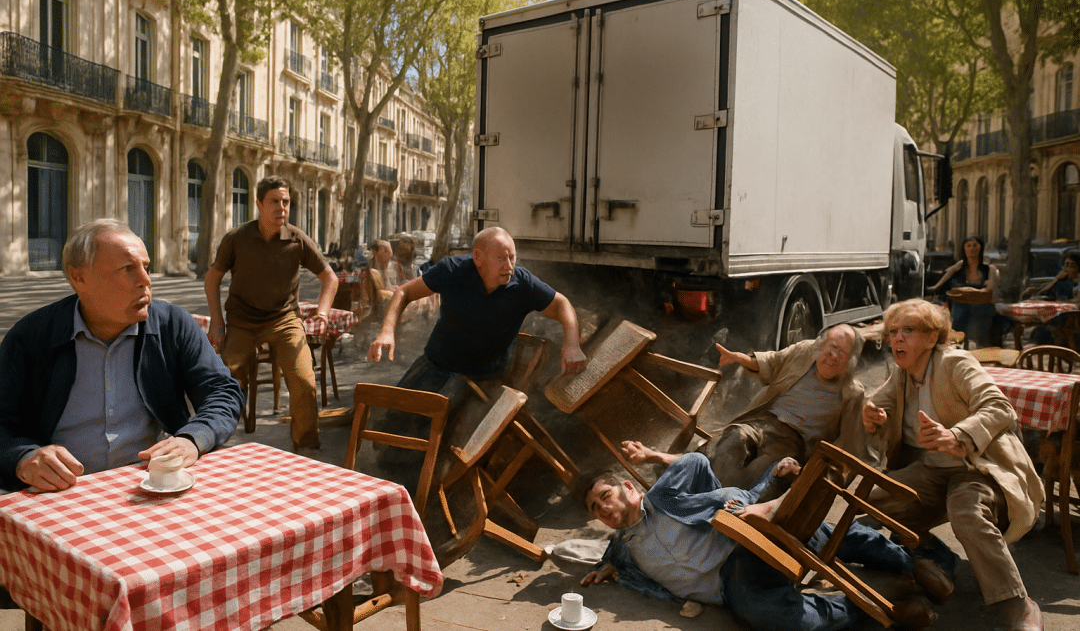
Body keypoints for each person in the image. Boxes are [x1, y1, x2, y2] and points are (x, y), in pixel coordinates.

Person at [578, 440, 945, 631]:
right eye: (595, 508)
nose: (603, 509)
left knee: (806, 530)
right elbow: (610, 558)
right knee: (768, 619)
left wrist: (655, 456)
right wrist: (608, 566)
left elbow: (696, 462)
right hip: (731, 585)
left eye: (605, 496)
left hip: (740, 545)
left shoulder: (661, 498)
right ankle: (878, 605)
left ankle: (910, 562)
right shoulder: (622, 550)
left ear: (628, 487)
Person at [0, 219, 243, 493]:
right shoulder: (31, 337)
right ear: (79, 278)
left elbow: (222, 391)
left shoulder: (172, 325)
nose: (146, 281)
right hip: (60, 493)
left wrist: (193, 437)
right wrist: (23, 457)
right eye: (128, 269)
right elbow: (3, 424)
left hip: (149, 485)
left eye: (146, 267)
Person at [863, 299, 1043, 631]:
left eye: (909, 331)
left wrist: (957, 435)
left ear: (932, 338)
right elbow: (880, 402)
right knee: (871, 501)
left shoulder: (955, 363)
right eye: (893, 332)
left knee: (967, 513)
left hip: (974, 468)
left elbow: (999, 407)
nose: (897, 339)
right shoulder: (903, 373)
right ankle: (929, 554)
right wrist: (873, 414)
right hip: (930, 470)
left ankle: (1016, 603)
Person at [367, 226, 587, 406]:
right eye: (501, 258)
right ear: (478, 258)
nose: (509, 266)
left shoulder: (523, 283)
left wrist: (572, 344)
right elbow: (404, 292)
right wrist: (386, 332)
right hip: (437, 366)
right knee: (394, 428)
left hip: (487, 379)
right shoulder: (453, 270)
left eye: (512, 258)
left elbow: (561, 304)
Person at [204, 176, 337, 454]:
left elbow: (329, 278)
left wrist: (323, 313)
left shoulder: (297, 239)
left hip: (284, 320)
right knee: (227, 377)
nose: (282, 208)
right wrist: (217, 323)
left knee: (303, 380)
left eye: (286, 202)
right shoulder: (237, 238)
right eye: (274, 202)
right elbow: (212, 278)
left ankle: (308, 448)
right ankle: (215, 442)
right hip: (242, 321)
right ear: (259, 204)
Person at [697, 325, 870, 491]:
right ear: (821, 346)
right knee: (733, 440)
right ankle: (705, 488)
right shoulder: (805, 352)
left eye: (843, 353)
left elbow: (851, 448)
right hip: (762, 422)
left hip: (793, 441)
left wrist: (821, 483)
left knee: (762, 470)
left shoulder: (852, 393)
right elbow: (773, 362)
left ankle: (723, 501)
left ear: (850, 361)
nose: (834, 356)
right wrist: (739, 358)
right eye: (832, 347)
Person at [927, 235, 999, 346]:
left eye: (975, 245)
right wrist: (936, 286)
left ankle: (981, 346)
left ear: (981, 248)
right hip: (962, 306)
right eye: (968, 246)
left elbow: (990, 288)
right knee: (960, 312)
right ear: (964, 249)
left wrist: (978, 291)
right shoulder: (960, 266)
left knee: (981, 316)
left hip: (981, 306)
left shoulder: (990, 268)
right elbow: (948, 273)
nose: (972, 248)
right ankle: (958, 343)